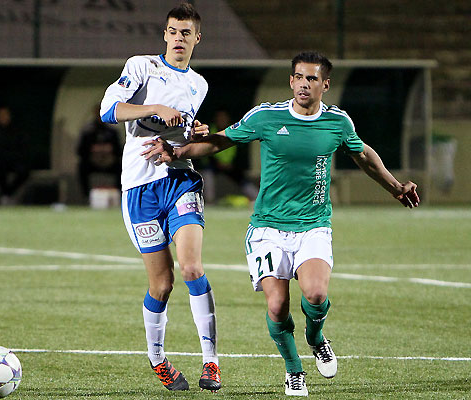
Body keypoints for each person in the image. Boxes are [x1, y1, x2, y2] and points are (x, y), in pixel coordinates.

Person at [142, 51, 420, 396]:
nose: (305, 84)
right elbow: (222, 140)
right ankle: (294, 370)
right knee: (276, 305)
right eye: (299, 77)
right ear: (291, 81)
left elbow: (363, 155)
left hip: (313, 225)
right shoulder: (266, 117)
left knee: (316, 294)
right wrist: (178, 152)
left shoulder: (337, 122)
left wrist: (396, 188)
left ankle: (315, 337)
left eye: (313, 79)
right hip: (267, 229)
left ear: (325, 84)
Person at [99, 2, 221, 392]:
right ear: (164, 34)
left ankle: (211, 363)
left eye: (186, 33)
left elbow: (183, 136)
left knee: (191, 268)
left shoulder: (198, 85)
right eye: (173, 31)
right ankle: (158, 359)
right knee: (162, 284)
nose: (179, 38)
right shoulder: (140, 67)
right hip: (139, 189)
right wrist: (155, 107)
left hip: (180, 180)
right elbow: (107, 110)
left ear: (197, 38)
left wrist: (195, 133)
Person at [199, 109, 258, 204]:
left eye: (224, 118)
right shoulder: (210, 130)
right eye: (219, 118)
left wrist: (229, 164)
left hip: (229, 165)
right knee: (207, 173)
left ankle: (257, 198)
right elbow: (205, 149)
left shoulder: (233, 130)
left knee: (240, 177)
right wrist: (217, 163)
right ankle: (210, 201)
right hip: (213, 164)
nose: (222, 120)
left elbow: (238, 151)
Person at [0, 106, 30, 205]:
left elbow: (22, 148)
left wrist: (13, 157)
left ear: (9, 116)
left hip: (13, 161)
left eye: (5, 114)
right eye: (0, 115)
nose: (3, 117)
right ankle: (6, 196)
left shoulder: (17, 130)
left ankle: (6, 194)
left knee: (24, 171)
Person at [76, 105, 122, 198]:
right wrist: (93, 150)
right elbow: (80, 151)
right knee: (82, 167)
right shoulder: (88, 131)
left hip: (110, 162)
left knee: (121, 167)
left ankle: (120, 194)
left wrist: (109, 150)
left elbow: (119, 150)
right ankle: (86, 196)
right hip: (92, 162)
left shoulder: (112, 131)